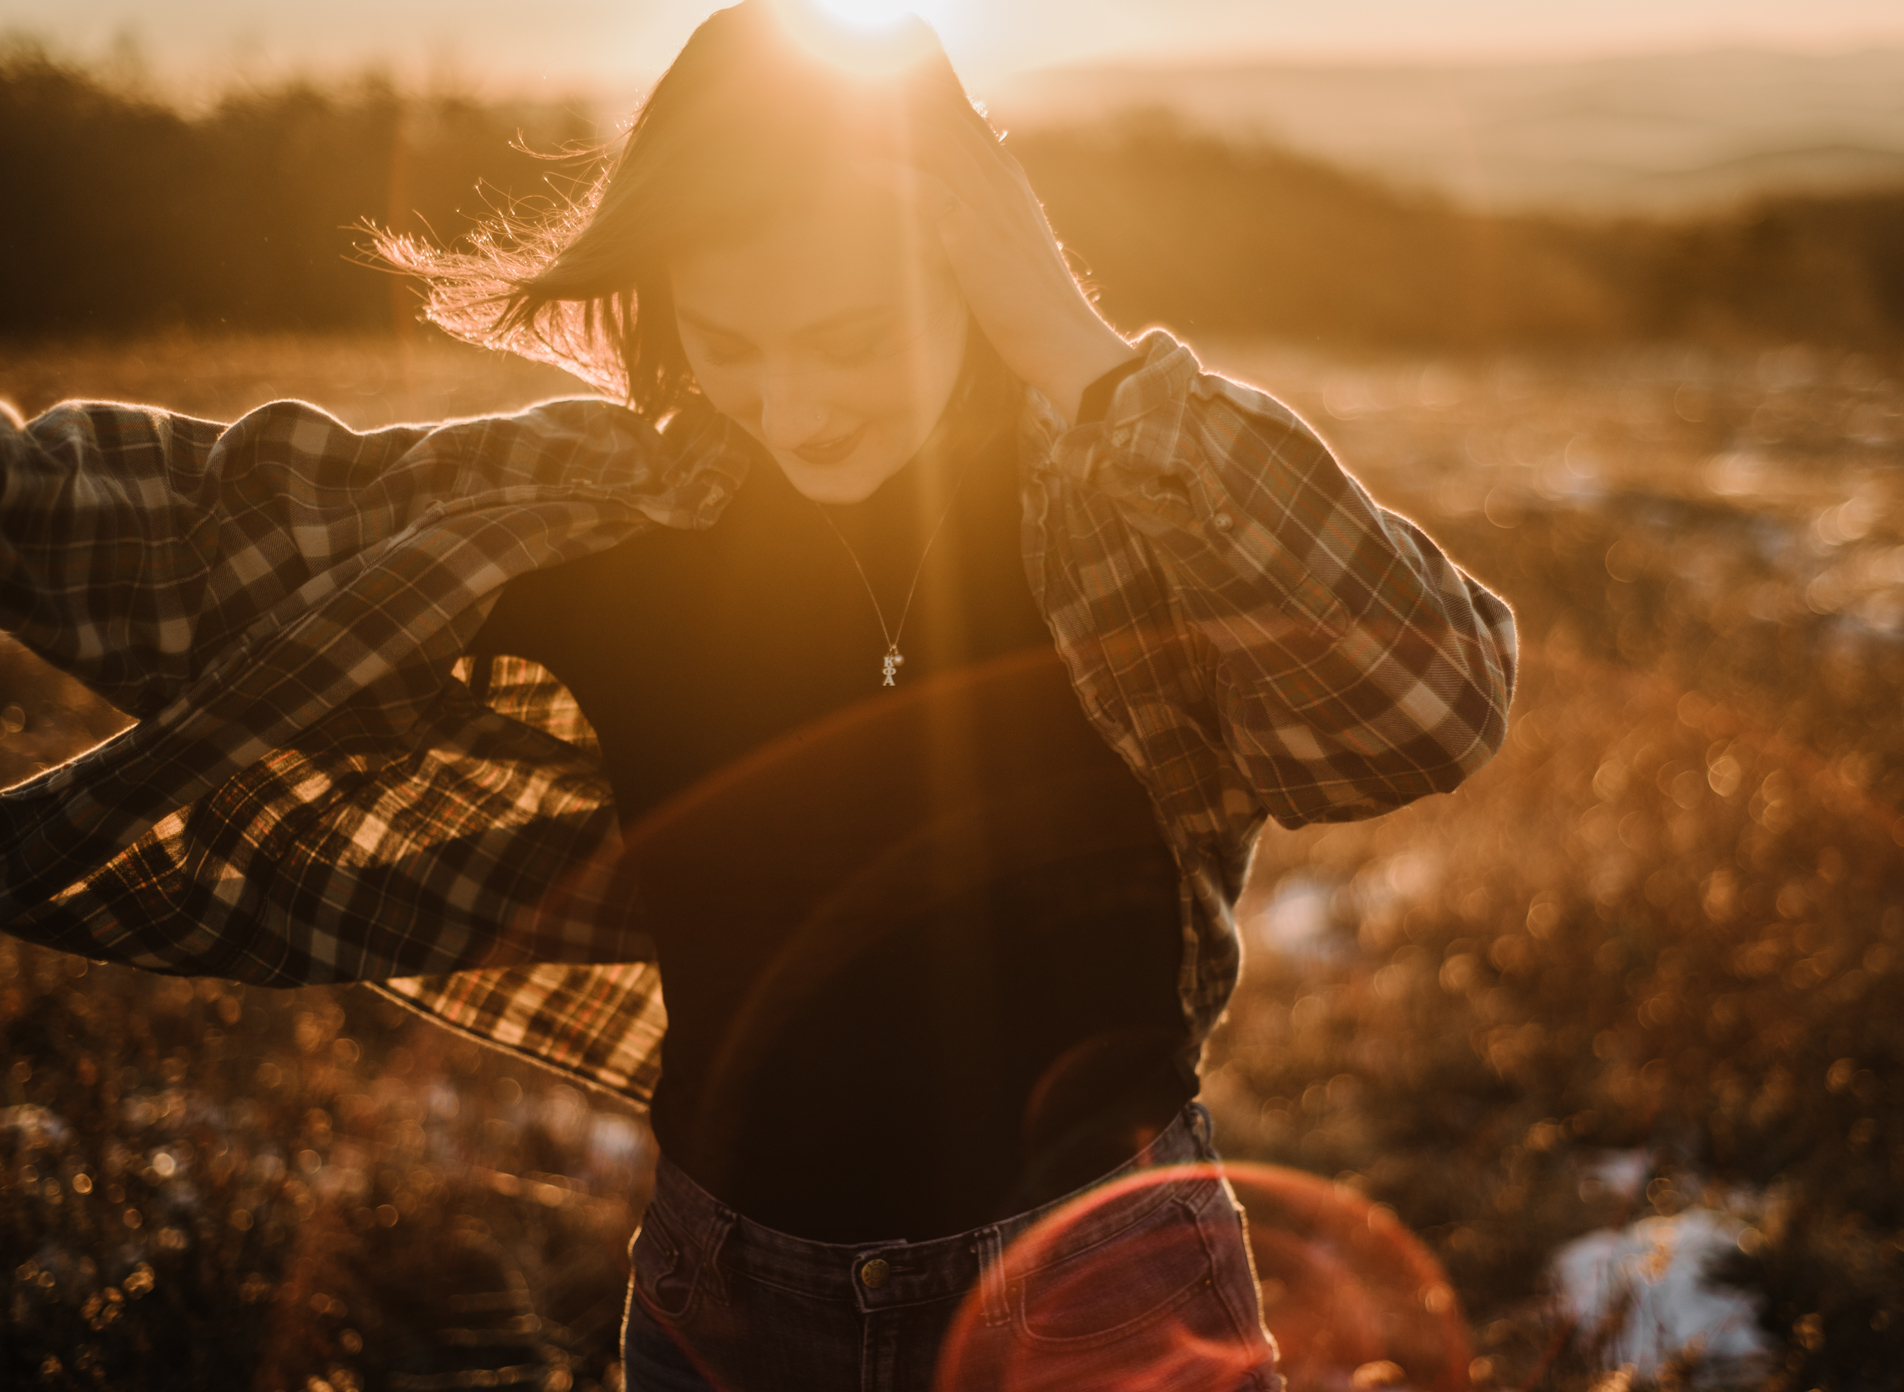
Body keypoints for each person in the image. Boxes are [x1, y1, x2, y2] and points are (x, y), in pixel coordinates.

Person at [0, 2, 1516, 1386]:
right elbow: (200, 525)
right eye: (729, 346)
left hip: (1102, 1292)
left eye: (851, 342)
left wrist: (1080, 352)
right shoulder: (614, 508)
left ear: (972, 280)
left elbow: (1427, 697)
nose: (792, 406)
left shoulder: (1122, 513)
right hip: (725, 1296)